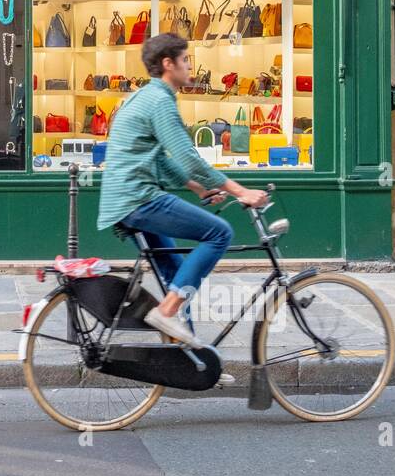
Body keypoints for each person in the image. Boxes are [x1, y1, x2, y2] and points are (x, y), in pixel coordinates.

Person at [97, 32, 268, 351]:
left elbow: (159, 157)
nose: (190, 66)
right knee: (219, 233)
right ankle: (166, 312)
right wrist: (239, 191)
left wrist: (198, 188)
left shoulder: (143, 96)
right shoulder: (160, 100)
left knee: (176, 272)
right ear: (168, 64)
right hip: (139, 199)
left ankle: (192, 361)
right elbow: (187, 156)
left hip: (125, 199)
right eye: (185, 60)